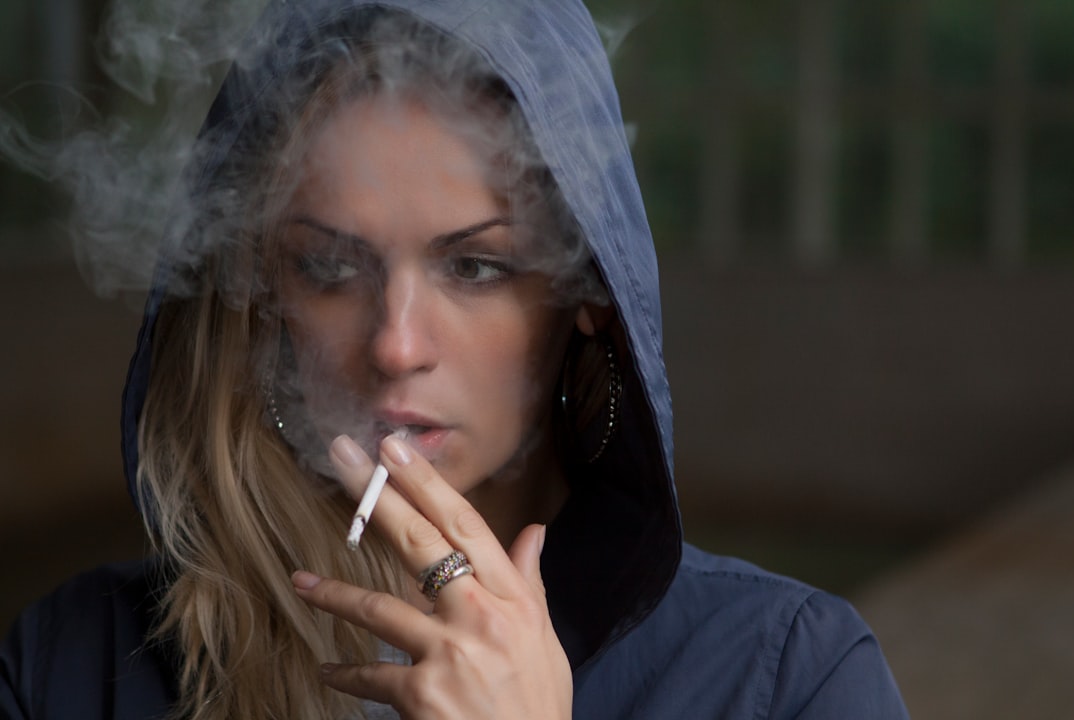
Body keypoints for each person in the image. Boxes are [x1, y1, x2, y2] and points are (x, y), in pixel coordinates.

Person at [0, 1, 909, 718]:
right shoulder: (70, 668)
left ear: (586, 296)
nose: (395, 345)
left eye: (474, 267)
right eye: (328, 267)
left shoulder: (790, 679)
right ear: (263, 297)